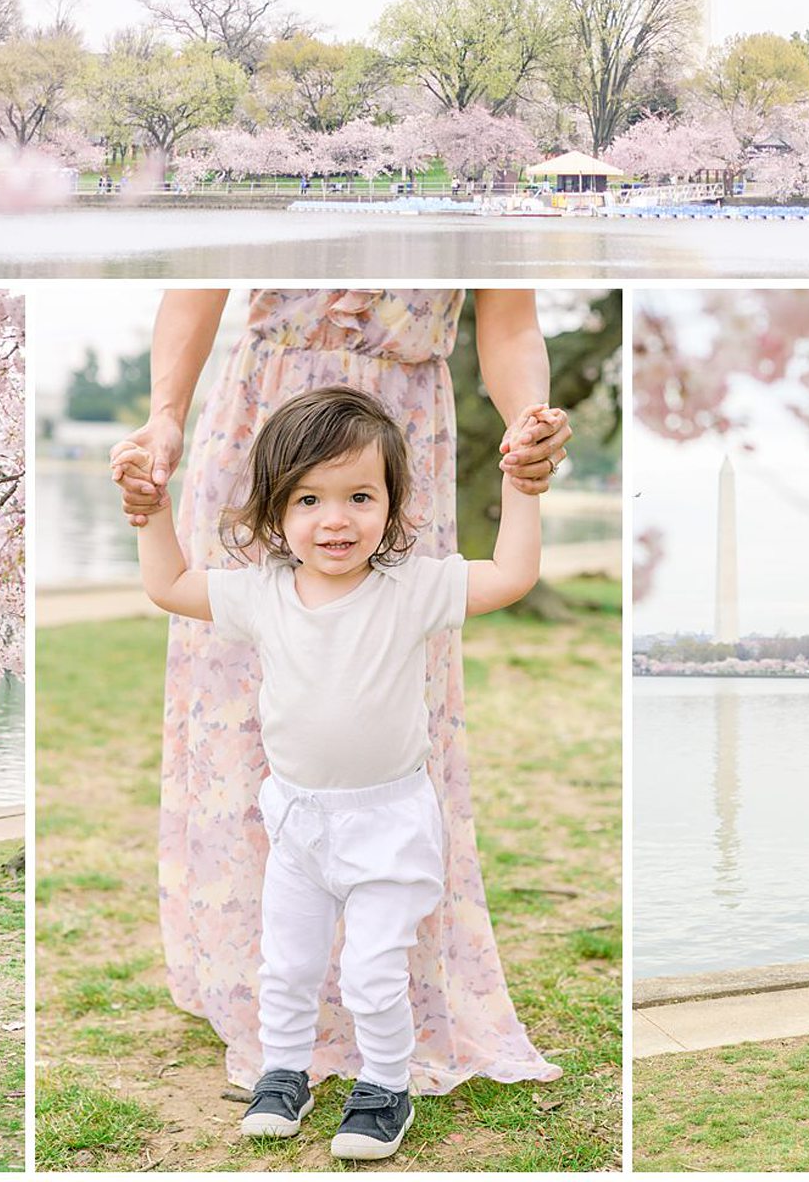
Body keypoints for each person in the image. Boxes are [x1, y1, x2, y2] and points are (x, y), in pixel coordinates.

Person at [108, 290, 570, 1103]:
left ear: (396, 509)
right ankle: (282, 1065)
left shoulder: (409, 587)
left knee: (375, 966)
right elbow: (172, 582)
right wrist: (151, 491)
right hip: (297, 818)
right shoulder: (262, 590)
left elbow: (511, 575)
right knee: (285, 957)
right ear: (276, 514)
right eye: (310, 504)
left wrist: (524, 467)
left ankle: (384, 1082)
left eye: (361, 501)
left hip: (387, 817)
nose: (335, 521)